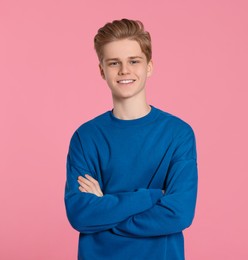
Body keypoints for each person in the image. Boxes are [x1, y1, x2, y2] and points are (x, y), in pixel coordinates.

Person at [64, 19, 198, 260]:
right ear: (102, 70)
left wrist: (105, 208)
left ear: (149, 66)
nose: (124, 70)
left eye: (133, 61)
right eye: (114, 63)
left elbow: (179, 213)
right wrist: (151, 196)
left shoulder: (178, 134)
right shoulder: (85, 137)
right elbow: (80, 214)